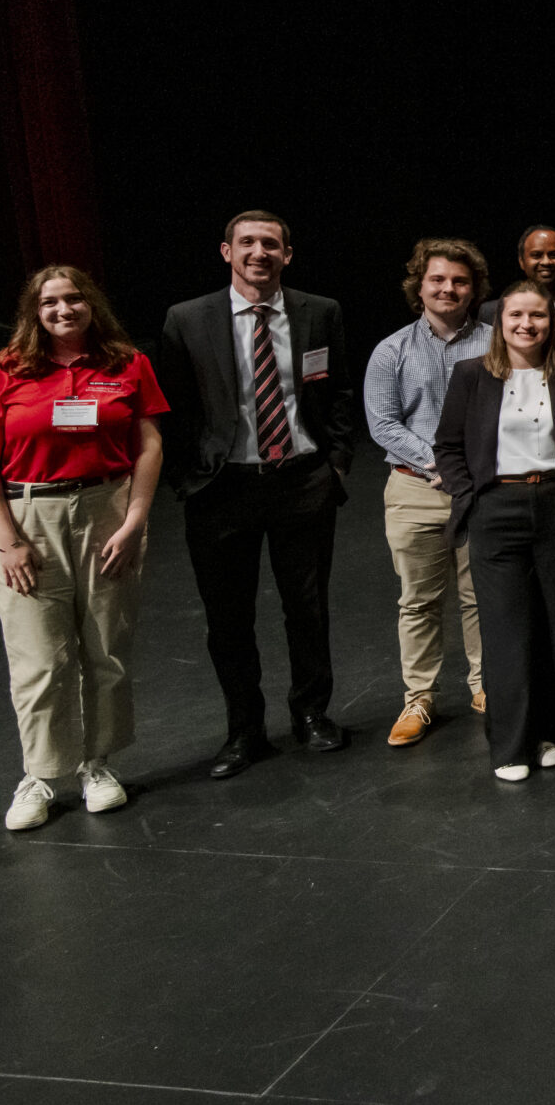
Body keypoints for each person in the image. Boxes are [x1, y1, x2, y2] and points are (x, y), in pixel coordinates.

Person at [153, 210, 356, 780]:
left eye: (271, 244)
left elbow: (337, 389)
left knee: (308, 608)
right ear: (226, 252)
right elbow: (173, 409)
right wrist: (189, 478)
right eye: (247, 243)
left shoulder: (321, 312)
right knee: (228, 618)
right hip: (223, 489)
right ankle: (244, 730)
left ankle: (312, 715)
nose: (258, 252)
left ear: (287, 254)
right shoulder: (187, 319)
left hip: (302, 481)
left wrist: (336, 464)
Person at [0, 266, 168, 830]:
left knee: (106, 648)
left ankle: (97, 765)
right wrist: (8, 541)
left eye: (74, 298)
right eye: (50, 301)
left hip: (106, 513)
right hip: (27, 519)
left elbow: (148, 446)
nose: (63, 309)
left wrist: (133, 522)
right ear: (35, 311)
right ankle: (40, 776)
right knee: (39, 659)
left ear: (91, 304)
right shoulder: (9, 368)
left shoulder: (127, 363)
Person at [434, 279, 555, 781]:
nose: (527, 325)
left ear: (551, 322)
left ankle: (552, 730)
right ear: (499, 320)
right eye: (516, 316)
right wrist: (472, 497)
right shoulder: (472, 375)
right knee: (507, 631)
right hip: (497, 509)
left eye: (537, 316)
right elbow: (448, 445)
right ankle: (510, 744)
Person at [363, 238, 494, 744]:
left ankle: (485, 685)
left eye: (460, 281)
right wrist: (440, 462)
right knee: (417, 600)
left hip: (481, 488)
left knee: (480, 595)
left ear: (473, 288)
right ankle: (419, 698)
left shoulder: (495, 342)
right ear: (420, 286)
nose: (448, 288)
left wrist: (466, 468)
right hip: (416, 490)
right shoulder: (391, 350)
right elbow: (382, 423)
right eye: (438, 279)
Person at [478, 225, 555, 324]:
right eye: (536, 255)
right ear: (521, 261)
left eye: (554, 255)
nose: (546, 262)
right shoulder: (492, 311)